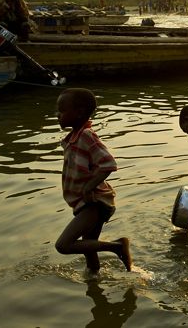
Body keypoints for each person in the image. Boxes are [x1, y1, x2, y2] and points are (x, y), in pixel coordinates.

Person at [54, 88, 132, 275]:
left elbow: (108, 163)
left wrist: (89, 187)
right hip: (83, 203)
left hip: (94, 203)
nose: (58, 115)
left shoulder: (86, 136)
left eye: (62, 110)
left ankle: (117, 246)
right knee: (89, 249)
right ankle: (94, 284)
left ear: (79, 112)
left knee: (64, 245)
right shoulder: (74, 137)